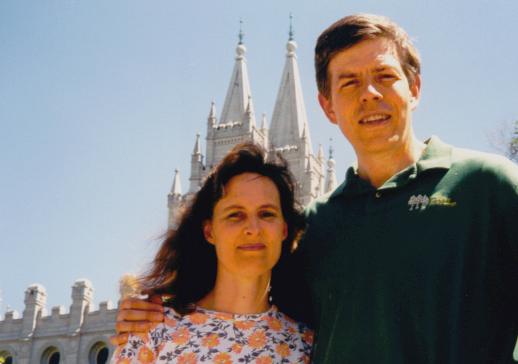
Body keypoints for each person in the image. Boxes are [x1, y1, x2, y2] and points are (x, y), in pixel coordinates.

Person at [112, 13, 518, 363]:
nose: (370, 94)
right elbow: (241, 291)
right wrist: (148, 309)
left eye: (385, 76)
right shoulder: (316, 225)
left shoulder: (490, 185)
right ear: (327, 106)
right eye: (349, 83)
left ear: (414, 88)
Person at [110, 142, 313, 363]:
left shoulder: (305, 347)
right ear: (209, 231)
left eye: (266, 214)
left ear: (284, 230)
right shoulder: (151, 331)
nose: (253, 229)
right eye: (235, 215)